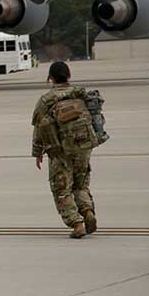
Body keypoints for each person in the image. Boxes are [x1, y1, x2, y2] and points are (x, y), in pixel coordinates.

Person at [31, 61, 98, 238]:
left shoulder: (46, 100)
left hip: (60, 151)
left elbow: (39, 127)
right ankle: (88, 211)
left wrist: (37, 152)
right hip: (84, 146)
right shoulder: (81, 94)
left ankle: (76, 224)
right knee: (81, 185)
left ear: (50, 78)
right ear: (68, 75)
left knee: (62, 189)